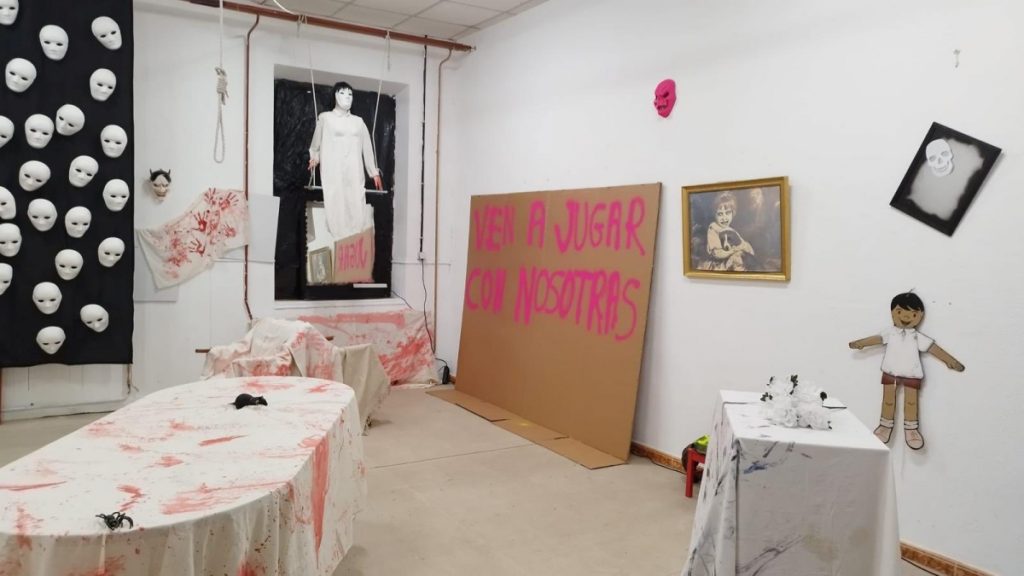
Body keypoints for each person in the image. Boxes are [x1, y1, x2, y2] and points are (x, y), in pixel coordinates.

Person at [848, 291, 965, 450]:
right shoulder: (890, 332)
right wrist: (861, 343)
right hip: (890, 371)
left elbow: (933, 348)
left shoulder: (918, 337)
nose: (906, 316)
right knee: (888, 400)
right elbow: (877, 338)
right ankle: (885, 426)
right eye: (900, 311)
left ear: (920, 315)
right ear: (892, 312)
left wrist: (950, 361)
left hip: (912, 373)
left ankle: (911, 429)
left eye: (913, 314)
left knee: (911, 401)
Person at [308, 81, 383, 240]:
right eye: (342, 93)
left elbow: (367, 148)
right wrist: (314, 158)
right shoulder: (325, 118)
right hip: (333, 168)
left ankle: (355, 234)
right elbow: (316, 144)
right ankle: (338, 233)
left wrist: (373, 172)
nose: (347, 97)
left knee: (356, 199)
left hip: (354, 169)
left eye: (350, 94)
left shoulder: (358, 122)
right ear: (335, 96)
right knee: (336, 199)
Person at [702, 191, 754, 271]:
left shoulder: (732, 230)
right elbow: (717, 253)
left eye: (727, 213)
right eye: (720, 214)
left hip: (731, 262)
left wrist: (746, 247)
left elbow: (743, 245)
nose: (724, 218)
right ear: (715, 215)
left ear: (733, 213)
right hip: (718, 264)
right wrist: (733, 251)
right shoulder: (713, 228)